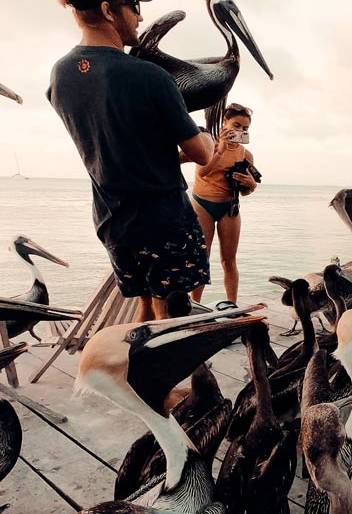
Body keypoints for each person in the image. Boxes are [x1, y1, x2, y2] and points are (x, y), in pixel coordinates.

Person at [48, 0, 215, 322]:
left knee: (143, 305)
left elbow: (115, 147)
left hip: (111, 220)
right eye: (134, 7)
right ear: (109, 9)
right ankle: (169, 373)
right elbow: (201, 154)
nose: (140, 17)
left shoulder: (60, 75)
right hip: (163, 220)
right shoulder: (150, 76)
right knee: (173, 316)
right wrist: (206, 135)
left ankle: (134, 371)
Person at [190, 103, 259, 307]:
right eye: (236, 125)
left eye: (245, 128)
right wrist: (220, 150)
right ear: (225, 123)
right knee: (202, 258)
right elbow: (202, 172)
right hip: (203, 205)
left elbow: (245, 189)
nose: (240, 131)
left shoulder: (246, 155)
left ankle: (232, 305)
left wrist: (251, 185)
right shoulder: (208, 142)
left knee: (229, 260)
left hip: (229, 206)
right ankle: (195, 305)